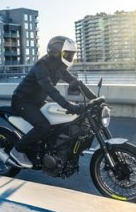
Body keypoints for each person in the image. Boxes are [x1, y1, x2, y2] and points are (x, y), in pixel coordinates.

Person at [8, 35, 96, 169]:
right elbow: (49, 88)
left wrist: (95, 99)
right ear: (57, 52)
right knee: (43, 126)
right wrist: (68, 106)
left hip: (37, 102)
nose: (70, 57)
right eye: (68, 54)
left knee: (59, 124)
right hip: (22, 101)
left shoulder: (59, 67)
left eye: (72, 54)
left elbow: (77, 83)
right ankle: (18, 150)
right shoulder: (41, 66)